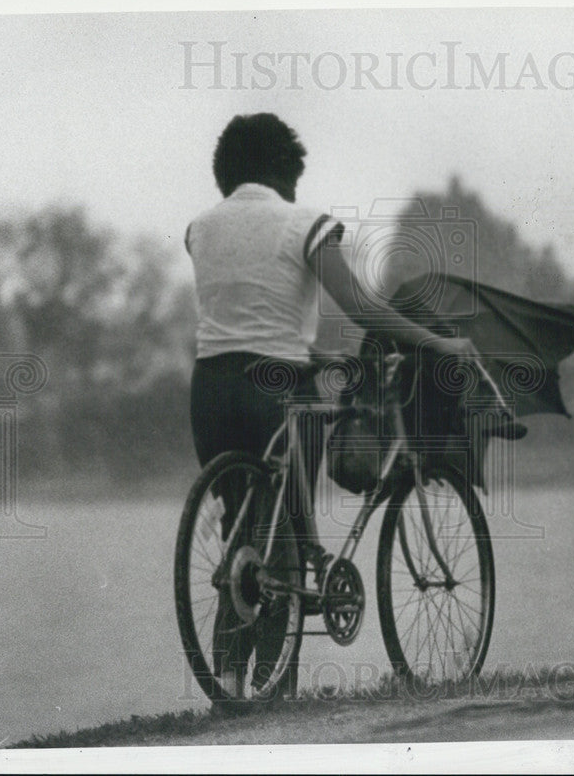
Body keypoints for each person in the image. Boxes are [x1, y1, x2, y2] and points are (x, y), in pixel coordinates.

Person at [185, 113, 477, 697]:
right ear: (283, 171)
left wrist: (312, 352)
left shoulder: (200, 228)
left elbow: (246, 323)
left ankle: (231, 682)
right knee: (286, 542)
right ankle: (274, 692)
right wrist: (438, 342)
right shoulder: (305, 223)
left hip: (211, 391)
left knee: (244, 540)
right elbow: (361, 308)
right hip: (277, 393)